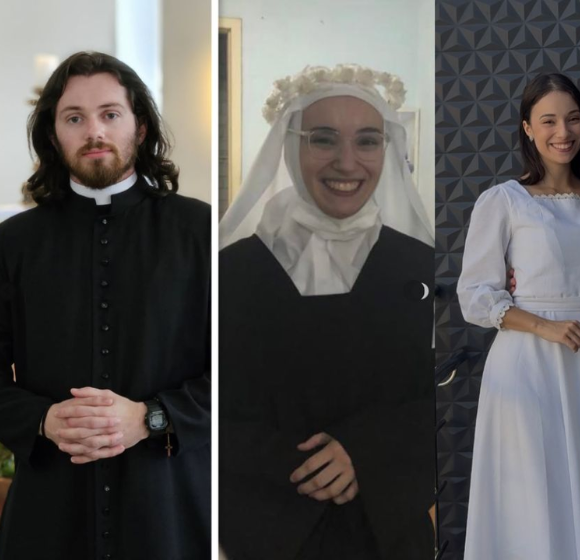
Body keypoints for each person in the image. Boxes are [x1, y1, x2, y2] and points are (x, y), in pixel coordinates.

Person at [218, 64, 435, 560]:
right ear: (289, 147)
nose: (347, 162)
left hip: (388, 529)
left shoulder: (424, 268)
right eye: (322, 139)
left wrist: (364, 451)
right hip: (267, 527)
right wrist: (308, 469)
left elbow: (440, 397)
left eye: (367, 141)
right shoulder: (230, 273)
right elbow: (212, 404)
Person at [0, 52, 211, 559]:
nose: (94, 131)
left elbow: (242, 371)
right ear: (53, 135)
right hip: (48, 515)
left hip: (170, 511)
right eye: (74, 118)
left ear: (141, 127)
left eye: (110, 114)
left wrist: (151, 417)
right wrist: (43, 420)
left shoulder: (200, 232)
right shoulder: (13, 243)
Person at [457, 73, 580, 559]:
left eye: (572, 119)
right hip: (526, 369)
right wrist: (546, 325)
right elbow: (475, 296)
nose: (562, 132)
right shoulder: (504, 201)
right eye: (548, 121)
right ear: (527, 128)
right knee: (533, 494)